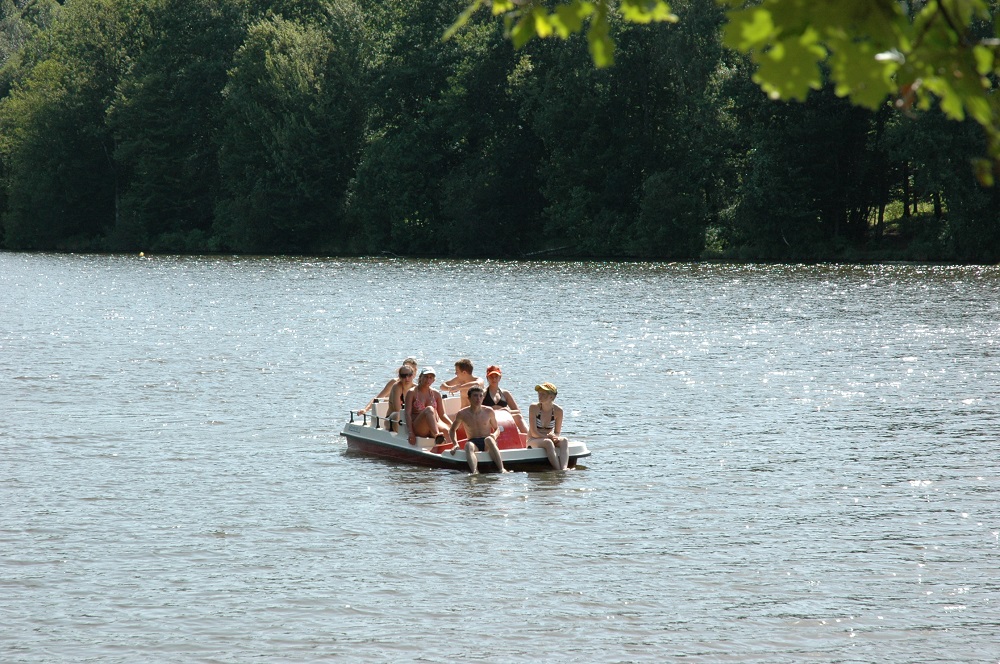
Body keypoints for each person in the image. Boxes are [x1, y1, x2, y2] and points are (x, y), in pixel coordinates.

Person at [448, 386, 508, 474]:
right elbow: (452, 430)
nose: (478, 398)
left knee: (489, 439)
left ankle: (501, 469)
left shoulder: (488, 411)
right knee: (468, 445)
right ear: (469, 398)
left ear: (483, 398)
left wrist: (494, 435)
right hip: (473, 442)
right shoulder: (462, 413)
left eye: (480, 396)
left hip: (487, 442)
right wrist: (455, 444)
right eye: (475, 396)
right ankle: (475, 472)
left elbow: (497, 428)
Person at [527, 382, 569, 471]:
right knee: (548, 443)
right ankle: (558, 470)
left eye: (543, 394)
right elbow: (534, 433)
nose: (540, 396)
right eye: (539, 393)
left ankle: (564, 469)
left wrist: (555, 437)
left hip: (548, 438)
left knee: (564, 440)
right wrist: (549, 438)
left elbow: (557, 431)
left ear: (551, 397)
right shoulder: (534, 408)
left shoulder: (558, 411)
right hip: (533, 439)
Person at [405, 367, 452, 446]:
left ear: (433, 380)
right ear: (420, 377)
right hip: (419, 427)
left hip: (433, 424)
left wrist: (452, 424)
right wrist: (411, 432)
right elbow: (407, 414)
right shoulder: (412, 392)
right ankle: (437, 436)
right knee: (429, 409)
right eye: (426, 377)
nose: (428, 380)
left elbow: (442, 414)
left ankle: (450, 451)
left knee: (446, 430)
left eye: (430, 377)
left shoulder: (436, 394)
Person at [482, 365, 528, 434]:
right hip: (489, 417)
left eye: (496, 377)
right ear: (487, 378)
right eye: (491, 377)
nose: (494, 379)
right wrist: (493, 409)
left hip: (503, 417)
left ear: (500, 378)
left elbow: (517, 411)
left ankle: (529, 438)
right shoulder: (483, 393)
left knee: (518, 416)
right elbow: (476, 409)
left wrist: (505, 411)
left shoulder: (505, 393)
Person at [385, 365, 415, 432]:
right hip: (392, 419)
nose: (407, 378)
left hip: (410, 418)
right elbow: (397, 409)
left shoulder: (416, 388)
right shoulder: (397, 386)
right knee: (397, 414)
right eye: (403, 376)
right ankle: (400, 437)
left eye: (409, 375)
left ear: (413, 375)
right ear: (399, 376)